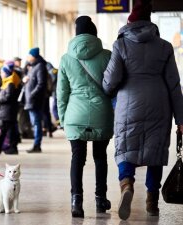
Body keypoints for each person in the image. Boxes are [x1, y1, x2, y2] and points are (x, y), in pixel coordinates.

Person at [102, 0, 183, 220]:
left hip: (129, 103)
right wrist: (181, 119)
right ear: (149, 21)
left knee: (126, 145)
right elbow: (174, 84)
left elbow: (110, 81)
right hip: (160, 102)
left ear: (130, 21)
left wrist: (108, 88)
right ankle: (151, 201)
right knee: (155, 152)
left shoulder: (121, 45)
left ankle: (126, 183)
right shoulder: (164, 46)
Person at [57, 16, 114, 218]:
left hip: (75, 114)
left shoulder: (66, 58)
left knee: (77, 158)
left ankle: (76, 200)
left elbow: (61, 93)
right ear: (94, 33)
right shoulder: (107, 55)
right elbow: (113, 86)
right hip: (102, 113)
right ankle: (100, 199)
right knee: (100, 157)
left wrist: (63, 119)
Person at [22, 47, 47, 153]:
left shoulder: (40, 66)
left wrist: (32, 94)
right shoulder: (33, 66)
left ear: (34, 56)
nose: (27, 57)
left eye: (29, 55)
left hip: (35, 100)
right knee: (35, 123)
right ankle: (36, 144)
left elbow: (41, 84)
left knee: (36, 123)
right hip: (31, 100)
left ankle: (37, 145)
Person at [0, 60, 21, 155]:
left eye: (2, 72)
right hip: (8, 111)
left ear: (6, 73)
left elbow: (8, 97)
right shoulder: (8, 82)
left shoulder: (10, 83)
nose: (1, 74)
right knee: (7, 130)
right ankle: (1, 148)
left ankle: (10, 148)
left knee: (8, 131)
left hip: (8, 111)